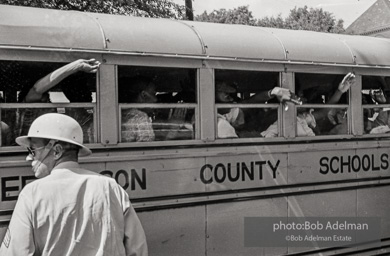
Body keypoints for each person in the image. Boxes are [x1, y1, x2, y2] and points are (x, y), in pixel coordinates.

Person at [0, 113, 148, 255]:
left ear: (56, 151)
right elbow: (137, 248)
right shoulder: (111, 188)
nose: (28, 157)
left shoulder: (32, 193)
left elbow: (16, 252)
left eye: (33, 150)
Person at [16, 58, 100, 142]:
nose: (50, 103)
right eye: (45, 100)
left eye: (49, 99)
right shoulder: (28, 112)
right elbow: (36, 89)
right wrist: (78, 65)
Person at [261, 72, 356, 137]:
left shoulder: (302, 118)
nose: (305, 99)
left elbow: (323, 112)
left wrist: (340, 91)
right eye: (301, 96)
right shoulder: (277, 119)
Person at [215, 81, 293, 138]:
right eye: (226, 94)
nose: (231, 100)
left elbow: (249, 102)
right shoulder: (221, 123)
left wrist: (271, 93)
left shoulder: (229, 113)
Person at [120, 76, 157, 142]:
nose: (155, 99)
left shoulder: (120, 112)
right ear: (144, 95)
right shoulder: (140, 117)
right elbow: (149, 148)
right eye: (153, 94)